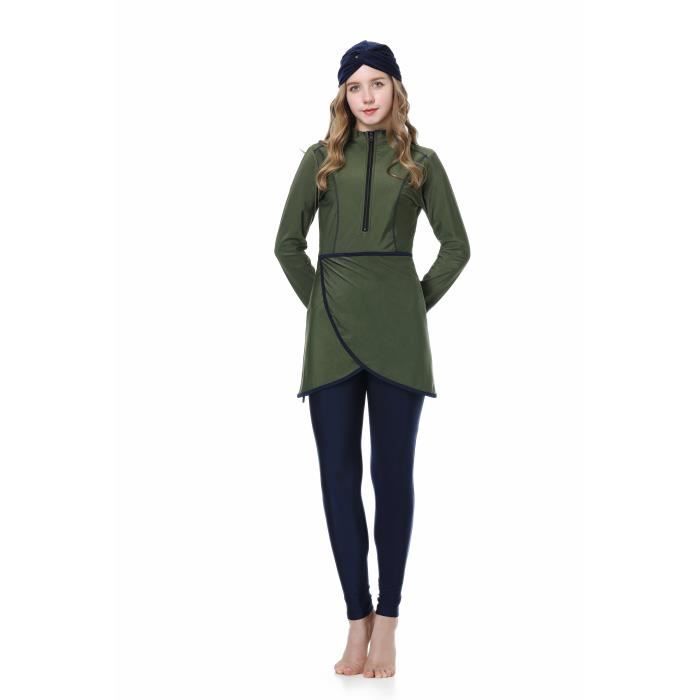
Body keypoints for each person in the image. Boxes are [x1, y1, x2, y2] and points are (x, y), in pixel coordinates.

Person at [274, 40, 471, 679]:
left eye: (377, 83)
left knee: (392, 477)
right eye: (355, 85)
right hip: (330, 337)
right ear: (342, 95)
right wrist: (321, 306)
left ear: (395, 90)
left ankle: (388, 621)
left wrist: (411, 307)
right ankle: (355, 618)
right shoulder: (319, 160)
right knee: (337, 479)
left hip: (398, 340)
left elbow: (456, 247)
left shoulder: (421, 162)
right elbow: (286, 244)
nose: (366, 96)